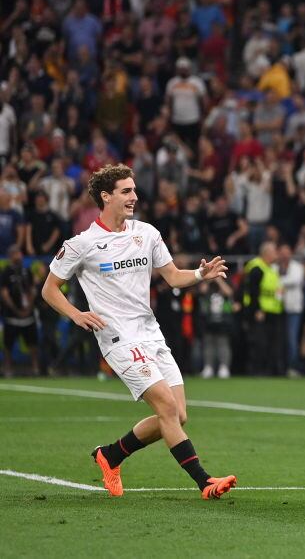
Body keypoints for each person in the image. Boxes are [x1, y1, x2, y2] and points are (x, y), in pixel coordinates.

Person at [40, 163, 235, 499]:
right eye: (126, 191)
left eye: (134, 190)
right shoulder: (82, 244)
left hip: (150, 333)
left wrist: (201, 275)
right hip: (117, 339)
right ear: (106, 196)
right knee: (166, 407)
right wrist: (75, 314)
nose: (134, 196)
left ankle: (110, 455)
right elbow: (50, 288)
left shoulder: (146, 233)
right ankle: (205, 482)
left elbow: (173, 276)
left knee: (178, 415)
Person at [243, 242, 283, 375]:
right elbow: (253, 290)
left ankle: (269, 370)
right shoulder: (257, 268)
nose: (276, 254)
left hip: (272, 311)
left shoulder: (271, 268)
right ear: (266, 254)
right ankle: (256, 370)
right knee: (259, 342)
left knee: (270, 343)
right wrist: (258, 309)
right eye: (274, 252)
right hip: (260, 311)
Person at [1, 245, 40, 376]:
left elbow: (32, 290)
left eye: (20, 253)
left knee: (33, 343)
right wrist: (16, 310)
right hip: (12, 316)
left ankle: (35, 368)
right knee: (8, 345)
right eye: (16, 254)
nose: (19, 256)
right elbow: (5, 294)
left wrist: (29, 307)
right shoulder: (6, 272)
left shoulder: (26, 270)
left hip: (28, 316)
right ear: (11, 256)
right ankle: (8, 368)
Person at [277, 243, 305, 376]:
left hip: (294, 309)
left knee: (292, 339)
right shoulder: (275, 266)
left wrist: (279, 280)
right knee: (281, 339)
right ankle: (282, 367)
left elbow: (295, 280)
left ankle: (293, 367)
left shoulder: (297, 267)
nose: (284, 255)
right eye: (282, 252)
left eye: (286, 252)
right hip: (278, 307)